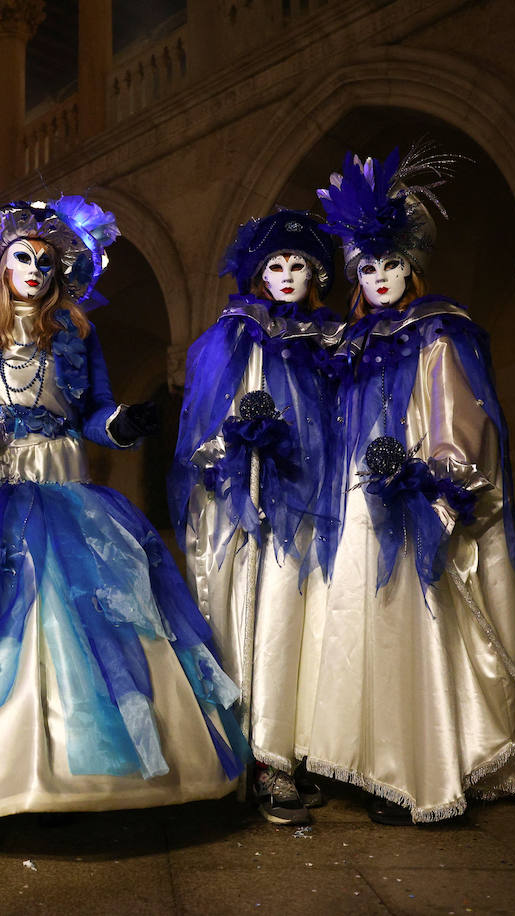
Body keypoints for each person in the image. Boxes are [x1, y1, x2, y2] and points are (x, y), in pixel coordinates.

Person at [0, 197, 244, 829]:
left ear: (60, 275)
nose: (34, 270)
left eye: (46, 263)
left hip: (70, 495)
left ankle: (97, 774)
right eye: (22, 257)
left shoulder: (75, 334)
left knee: (90, 614)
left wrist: (124, 423)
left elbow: (95, 413)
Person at [303, 146, 515, 824]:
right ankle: (369, 761)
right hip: (353, 503)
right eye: (367, 267)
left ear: (412, 268)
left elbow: (460, 423)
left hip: (406, 499)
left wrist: (434, 484)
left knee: (410, 627)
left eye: (391, 265)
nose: (378, 279)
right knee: (355, 626)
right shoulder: (349, 346)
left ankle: (420, 771)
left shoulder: (435, 334)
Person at [168, 210, 341, 825]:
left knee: (295, 626)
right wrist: (240, 444)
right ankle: (256, 760)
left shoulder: (327, 342)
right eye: (276, 265)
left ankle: (289, 753)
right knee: (248, 619)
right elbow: (208, 425)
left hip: (310, 502)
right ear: (258, 273)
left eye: (299, 265)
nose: (288, 276)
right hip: (247, 503)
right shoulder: (237, 333)